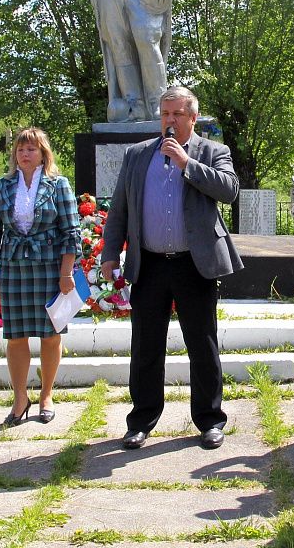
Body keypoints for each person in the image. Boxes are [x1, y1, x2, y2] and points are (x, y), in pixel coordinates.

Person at [101, 86, 242, 451]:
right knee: (146, 346)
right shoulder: (136, 155)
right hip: (148, 265)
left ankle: (210, 421)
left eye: (177, 114)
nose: (170, 121)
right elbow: (119, 209)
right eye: (165, 114)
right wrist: (110, 253)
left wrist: (185, 164)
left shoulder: (214, 151)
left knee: (202, 344)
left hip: (193, 265)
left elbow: (229, 190)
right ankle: (141, 421)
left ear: (193, 118)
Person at [0, 128, 79, 428]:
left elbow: (71, 232)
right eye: (21, 149)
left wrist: (66, 273)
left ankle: (47, 395)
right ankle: (20, 397)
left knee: (51, 335)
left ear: (43, 154)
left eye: (32, 149)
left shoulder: (58, 185)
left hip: (49, 269)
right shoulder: (2, 185)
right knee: (15, 337)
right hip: (14, 269)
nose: (25, 154)